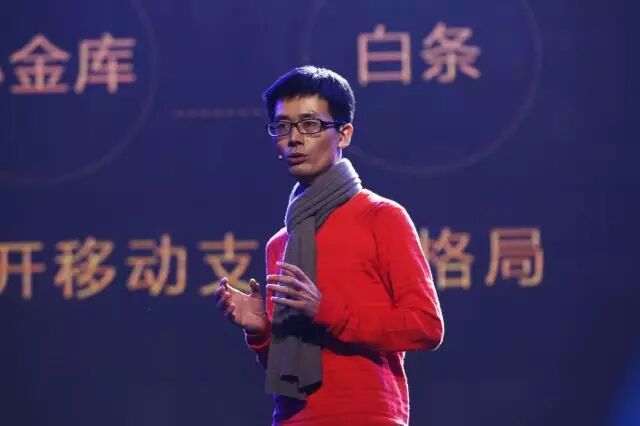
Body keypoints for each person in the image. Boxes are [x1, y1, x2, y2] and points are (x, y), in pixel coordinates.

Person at [214, 65, 444, 425]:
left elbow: (426, 325)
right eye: (282, 126)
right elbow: (290, 365)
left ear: (344, 134)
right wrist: (260, 331)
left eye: (309, 125)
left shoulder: (381, 217)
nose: (294, 139)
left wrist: (327, 310)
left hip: (367, 415)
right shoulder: (282, 241)